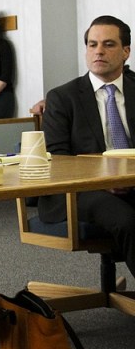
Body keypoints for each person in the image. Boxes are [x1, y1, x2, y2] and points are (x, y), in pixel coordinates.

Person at [39, 15, 135, 278]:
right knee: (125, 219)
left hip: (132, 182)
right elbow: (58, 160)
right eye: (92, 45)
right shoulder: (62, 97)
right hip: (79, 190)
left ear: (126, 52)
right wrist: (104, 181)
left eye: (108, 44)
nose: (98, 51)